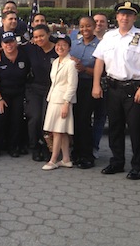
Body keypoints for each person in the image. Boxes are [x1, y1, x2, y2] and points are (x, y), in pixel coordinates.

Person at [92, 1, 140, 180]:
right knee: (115, 128)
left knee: (137, 129)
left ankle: (139, 165)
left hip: (134, 89)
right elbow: (99, 60)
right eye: (122, 14)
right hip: (113, 88)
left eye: (129, 14)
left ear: (134, 17)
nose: (125, 17)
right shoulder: (109, 36)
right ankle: (117, 162)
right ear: (117, 17)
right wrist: (96, 84)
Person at [0, 31, 31, 158]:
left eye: (11, 41)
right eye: (6, 43)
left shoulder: (24, 56)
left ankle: (14, 147)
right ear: (2, 44)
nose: (9, 45)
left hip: (19, 94)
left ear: (15, 42)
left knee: (16, 121)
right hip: (2, 94)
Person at [42, 34, 78, 170]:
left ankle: (53, 160)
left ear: (69, 47)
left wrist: (66, 103)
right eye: (57, 45)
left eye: (63, 45)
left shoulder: (71, 63)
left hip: (63, 101)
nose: (60, 47)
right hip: (53, 98)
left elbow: (72, 85)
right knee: (60, 131)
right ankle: (66, 159)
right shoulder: (56, 61)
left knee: (58, 131)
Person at [24, 24, 58, 161]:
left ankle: (47, 147)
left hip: (52, 90)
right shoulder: (31, 49)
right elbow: (11, 46)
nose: (39, 39)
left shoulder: (57, 49)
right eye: (36, 37)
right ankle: (35, 147)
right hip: (34, 89)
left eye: (42, 36)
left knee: (47, 119)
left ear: (48, 35)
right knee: (35, 118)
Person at [70, 16, 100, 169]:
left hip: (90, 85)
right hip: (74, 85)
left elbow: (104, 71)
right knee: (74, 119)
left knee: (84, 120)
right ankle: (75, 151)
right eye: (82, 26)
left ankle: (87, 155)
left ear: (94, 26)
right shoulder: (74, 44)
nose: (85, 29)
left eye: (88, 26)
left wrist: (85, 69)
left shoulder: (100, 46)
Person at [92, 12, 109, 158]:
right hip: (83, 84)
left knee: (100, 117)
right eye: (96, 21)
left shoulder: (111, 40)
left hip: (104, 85)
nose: (98, 24)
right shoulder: (76, 39)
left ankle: (94, 147)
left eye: (102, 21)